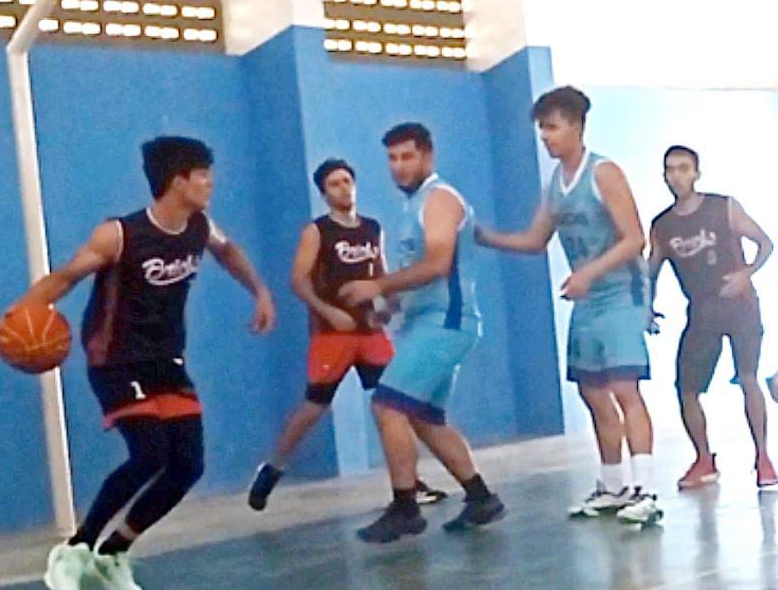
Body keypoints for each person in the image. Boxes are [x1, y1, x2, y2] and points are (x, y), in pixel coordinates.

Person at [6, 137, 276, 590]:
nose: (211, 183)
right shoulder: (120, 235)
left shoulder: (199, 227)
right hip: (115, 359)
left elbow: (228, 251)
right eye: (203, 175)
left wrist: (260, 292)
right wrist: (23, 311)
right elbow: (67, 276)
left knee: (187, 465)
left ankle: (114, 551)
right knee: (150, 452)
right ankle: (74, 549)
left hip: (166, 359)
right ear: (177, 182)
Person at [476, 86, 662, 526]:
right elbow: (534, 240)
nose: (546, 136)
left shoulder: (604, 173)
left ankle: (647, 490)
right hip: (588, 299)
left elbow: (635, 238)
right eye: (542, 129)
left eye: (553, 127)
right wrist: (482, 236)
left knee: (625, 389)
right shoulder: (554, 186)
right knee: (592, 392)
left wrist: (588, 273)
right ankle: (613, 487)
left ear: (577, 126)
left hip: (620, 293)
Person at [247, 158, 445, 510]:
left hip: (370, 332)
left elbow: (380, 272)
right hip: (332, 334)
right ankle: (273, 467)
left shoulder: (371, 228)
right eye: (335, 184)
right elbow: (298, 280)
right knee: (314, 406)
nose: (343, 188)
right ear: (324, 193)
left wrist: (387, 304)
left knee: (397, 403)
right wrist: (328, 312)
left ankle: (409, 481)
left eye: (347, 181)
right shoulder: (317, 231)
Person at [340, 123, 505, 543]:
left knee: (387, 405)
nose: (398, 166)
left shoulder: (440, 199)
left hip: (447, 322)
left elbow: (437, 265)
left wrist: (378, 286)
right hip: (427, 321)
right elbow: (418, 272)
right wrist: (390, 307)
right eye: (392, 158)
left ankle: (405, 508)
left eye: (407, 156)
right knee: (424, 417)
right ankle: (481, 498)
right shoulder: (413, 205)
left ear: (428, 156)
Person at [649, 145, 777, 489]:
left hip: (740, 306)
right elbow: (652, 267)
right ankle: (704, 458)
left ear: (696, 173)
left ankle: (763, 457)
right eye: (670, 169)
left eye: (683, 168)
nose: (677, 176)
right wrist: (646, 305)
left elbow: (765, 243)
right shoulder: (663, 225)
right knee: (687, 388)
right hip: (702, 311)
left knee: (747, 377)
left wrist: (746, 273)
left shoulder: (724, 207)